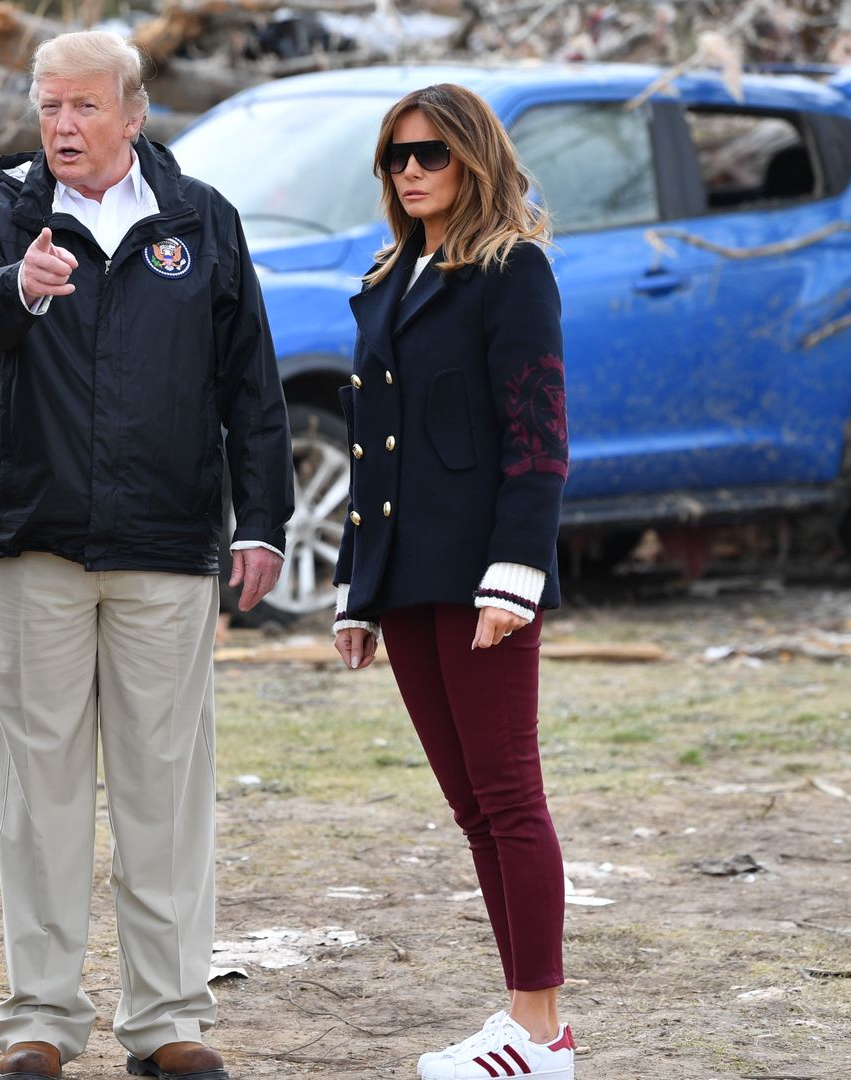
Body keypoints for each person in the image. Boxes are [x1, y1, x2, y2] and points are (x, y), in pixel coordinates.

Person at [0, 30, 293, 1080]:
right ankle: (38, 1021)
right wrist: (22, 287)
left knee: (162, 788)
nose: (63, 127)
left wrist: (260, 520)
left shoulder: (199, 220)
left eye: (85, 107)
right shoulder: (1, 209)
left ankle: (168, 1021)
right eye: (49, 106)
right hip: (32, 538)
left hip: (166, 542)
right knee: (38, 793)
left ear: (134, 114)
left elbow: (250, 385)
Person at [328, 83, 575, 1080]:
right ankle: (523, 1022)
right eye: (395, 158)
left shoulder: (513, 271)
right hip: (406, 579)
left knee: (512, 797)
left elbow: (539, 433)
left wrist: (515, 574)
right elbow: (370, 451)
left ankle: (543, 1030)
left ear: (473, 155)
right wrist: (354, 588)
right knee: (473, 806)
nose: (412, 171)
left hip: (484, 577)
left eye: (429, 153)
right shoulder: (393, 273)